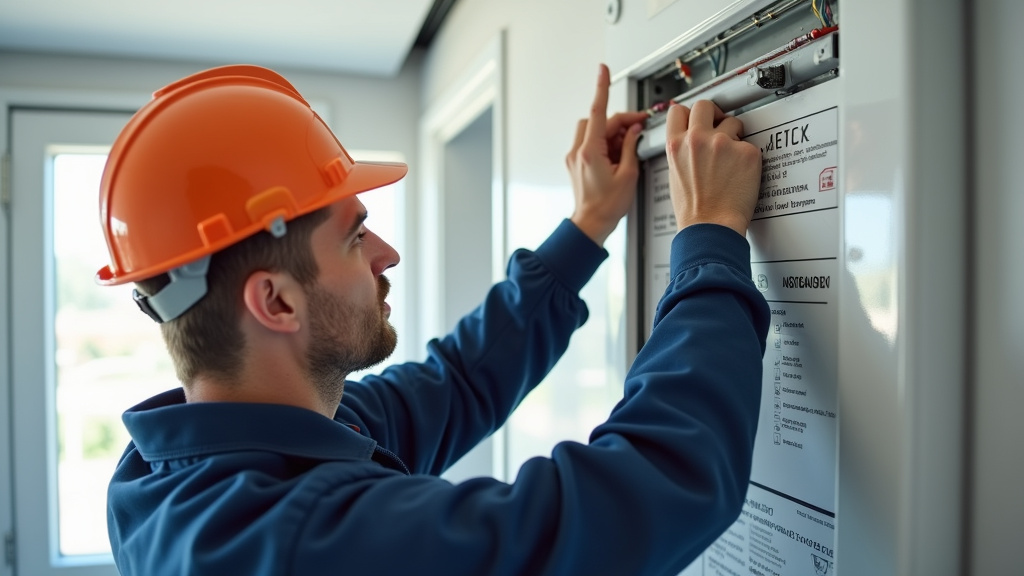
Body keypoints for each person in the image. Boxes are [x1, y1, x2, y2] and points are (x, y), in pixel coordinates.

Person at [100, 63, 768, 575]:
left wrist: (589, 224)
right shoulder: (305, 541)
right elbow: (661, 487)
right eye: (355, 236)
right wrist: (709, 234)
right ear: (275, 301)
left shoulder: (172, 469)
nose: (386, 254)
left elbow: (458, 382)